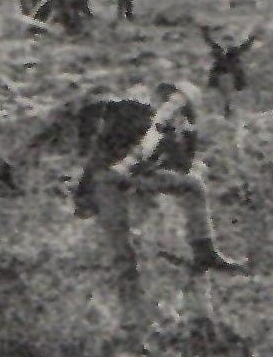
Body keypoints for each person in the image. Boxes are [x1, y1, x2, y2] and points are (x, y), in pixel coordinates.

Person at [71, 78, 246, 329]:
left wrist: (182, 136)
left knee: (192, 187)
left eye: (180, 105)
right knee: (123, 254)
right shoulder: (133, 112)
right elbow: (98, 151)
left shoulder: (177, 132)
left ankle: (204, 250)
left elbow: (180, 168)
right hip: (107, 181)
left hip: (138, 179)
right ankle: (131, 320)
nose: (173, 107)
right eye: (171, 100)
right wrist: (85, 193)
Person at [200, 24, 259, 115]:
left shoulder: (231, 52)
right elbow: (210, 43)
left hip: (228, 72)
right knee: (223, 91)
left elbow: (245, 47)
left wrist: (252, 38)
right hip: (224, 72)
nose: (227, 45)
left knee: (228, 91)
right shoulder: (221, 51)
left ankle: (227, 106)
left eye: (229, 42)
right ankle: (226, 106)